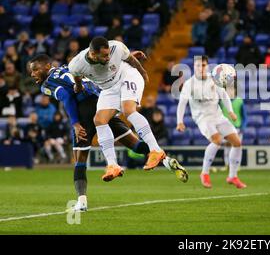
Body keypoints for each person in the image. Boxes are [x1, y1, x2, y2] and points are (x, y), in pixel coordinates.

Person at [29, 54, 188, 212]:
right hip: (102, 103)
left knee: (80, 159)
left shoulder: (47, 83)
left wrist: (75, 123)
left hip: (84, 112)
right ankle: (166, 160)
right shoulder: (68, 67)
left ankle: (82, 201)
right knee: (134, 145)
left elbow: (66, 97)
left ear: (48, 66)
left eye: (36, 69)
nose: (32, 74)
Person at [68, 38, 186, 183]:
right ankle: (112, 165)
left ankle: (156, 150)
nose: (108, 57)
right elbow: (76, 74)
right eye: (104, 56)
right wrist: (78, 86)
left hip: (127, 76)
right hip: (108, 88)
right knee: (99, 120)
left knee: (128, 110)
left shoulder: (116, 47)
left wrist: (142, 72)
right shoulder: (76, 64)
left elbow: (130, 59)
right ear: (93, 54)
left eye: (108, 54)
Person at [176, 56, 246, 189]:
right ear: (193, 67)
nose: (200, 68)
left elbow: (224, 95)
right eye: (197, 65)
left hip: (218, 116)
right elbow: (182, 104)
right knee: (217, 140)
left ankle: (232, 176)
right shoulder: (189, 84)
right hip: (203, 118)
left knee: (237, 142)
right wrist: (180, 121)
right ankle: (205, 173)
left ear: (207, 67)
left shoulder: (214, 79)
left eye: (202, 65)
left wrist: (230, 111)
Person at [219, 83, 246, 172]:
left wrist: (242, 127)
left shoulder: (239, 101)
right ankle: (227, 165)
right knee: (227, 147)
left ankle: (237, 165)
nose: (229, 91)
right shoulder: (222, 101)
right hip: (225, 127)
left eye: (231, 89)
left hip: (237, 127)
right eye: (227, 90)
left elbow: (244, 116)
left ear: (235, 90)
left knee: (237, 146)